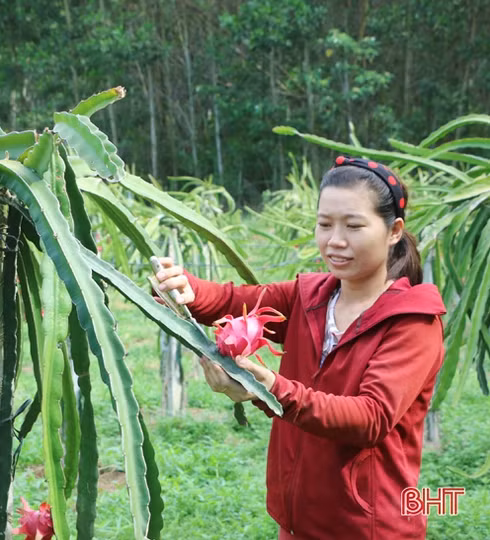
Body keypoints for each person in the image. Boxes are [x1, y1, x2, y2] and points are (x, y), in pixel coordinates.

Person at [154, 156, 445, 539]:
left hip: (369, 528)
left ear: (394, 231)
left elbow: (369, 418)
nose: (335, 241)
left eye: (354, 226)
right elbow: (237, 300)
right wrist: (189, 290)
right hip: (296, 522)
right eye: (324, 224)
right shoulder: (309, 297)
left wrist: (271, 388)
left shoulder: (413, 322)